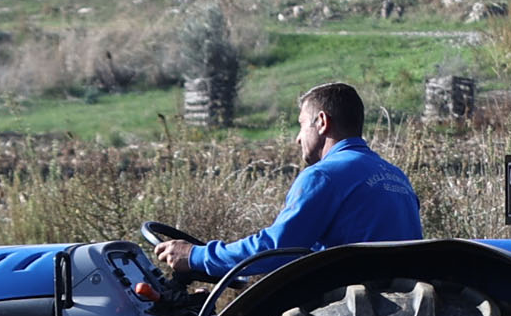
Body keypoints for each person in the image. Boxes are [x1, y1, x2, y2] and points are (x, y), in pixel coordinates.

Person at [152, 81, 422, 279]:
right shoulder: (396, 176)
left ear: (321, 122)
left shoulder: (324, 176)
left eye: (301, 124)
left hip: (352, 300)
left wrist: (196, 256)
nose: (297, 137)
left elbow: (275, 249)